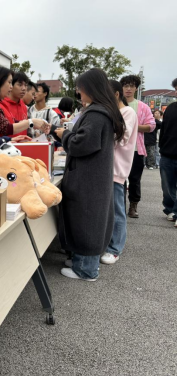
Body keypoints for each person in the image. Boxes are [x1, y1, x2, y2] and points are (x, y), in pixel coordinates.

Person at [54, 69, 126, 282]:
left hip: (88, 178)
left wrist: (64, 134)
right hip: (93, 176)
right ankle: (80, 261)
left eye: (80, 88)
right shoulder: (103, 111)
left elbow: (81, 144)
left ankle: (86, 269)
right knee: (87, 219)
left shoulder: (96, 114)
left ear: (90, 88)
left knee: (86, 220)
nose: (78, 92)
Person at [100, 81, 139, 265]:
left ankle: (115, 249)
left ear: (116, 94)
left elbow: (121, 138)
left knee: (117, 211)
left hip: (117, 168)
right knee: (109, 210)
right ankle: (108, 245)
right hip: (107, 168)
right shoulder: (114, 112)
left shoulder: (127, 112)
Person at [120, 75, 156, 219]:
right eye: (126, 86)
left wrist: (134, 126)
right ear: (121, 88)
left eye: (132, 86)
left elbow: (151, 126)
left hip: (136, 149)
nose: (128, 89)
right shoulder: (116, 104)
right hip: (119, 149)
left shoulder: (142, 106)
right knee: (119, 179)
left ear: (136, 88)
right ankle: (120, 205)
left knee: (135, 179)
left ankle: (133, 205)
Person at [0, 67, 49, 138]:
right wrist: (31, 122)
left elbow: (12, 122)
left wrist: (33, 123)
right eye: (9, 82)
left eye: (25, 85)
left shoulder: (0, 103)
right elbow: (5, 128)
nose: (11, 87)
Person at [159, 79, 177, 228]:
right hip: (167, 154)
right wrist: (162, 146)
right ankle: (170, 209)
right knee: (167, 186)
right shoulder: (170, 108)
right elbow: (164, 129)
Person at [0, 72, 30, 136]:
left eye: (25, 85)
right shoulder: (1, 104)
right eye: (20, 85)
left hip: (24, 142)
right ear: (11, 86)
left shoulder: (24, 106)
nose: (24, 88)